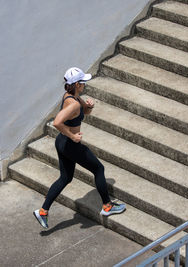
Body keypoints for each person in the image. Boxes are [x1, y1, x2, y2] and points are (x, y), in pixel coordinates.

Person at [33, 67, 126, 229]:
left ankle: (43, 211)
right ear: (76, 84)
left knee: (65, 178)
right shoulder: (73, 105)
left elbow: (86, 111)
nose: (85, 85)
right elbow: (57, 122)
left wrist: (89, 106)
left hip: (61, 143)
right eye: (83, 82)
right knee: (99, 169)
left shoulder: (71, 97)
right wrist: (73, 136)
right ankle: (107, 206)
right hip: (70, 145)